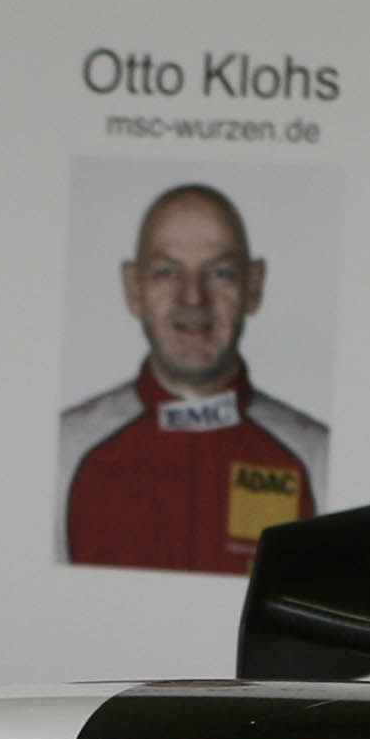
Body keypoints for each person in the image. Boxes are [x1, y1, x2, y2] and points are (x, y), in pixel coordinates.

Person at [58, 181, 332, 576]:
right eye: (167, 272)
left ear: (253, 286)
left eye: (219, 272)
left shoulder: (317, 458)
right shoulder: (65, 452)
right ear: (134, 288)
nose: (193, 298)